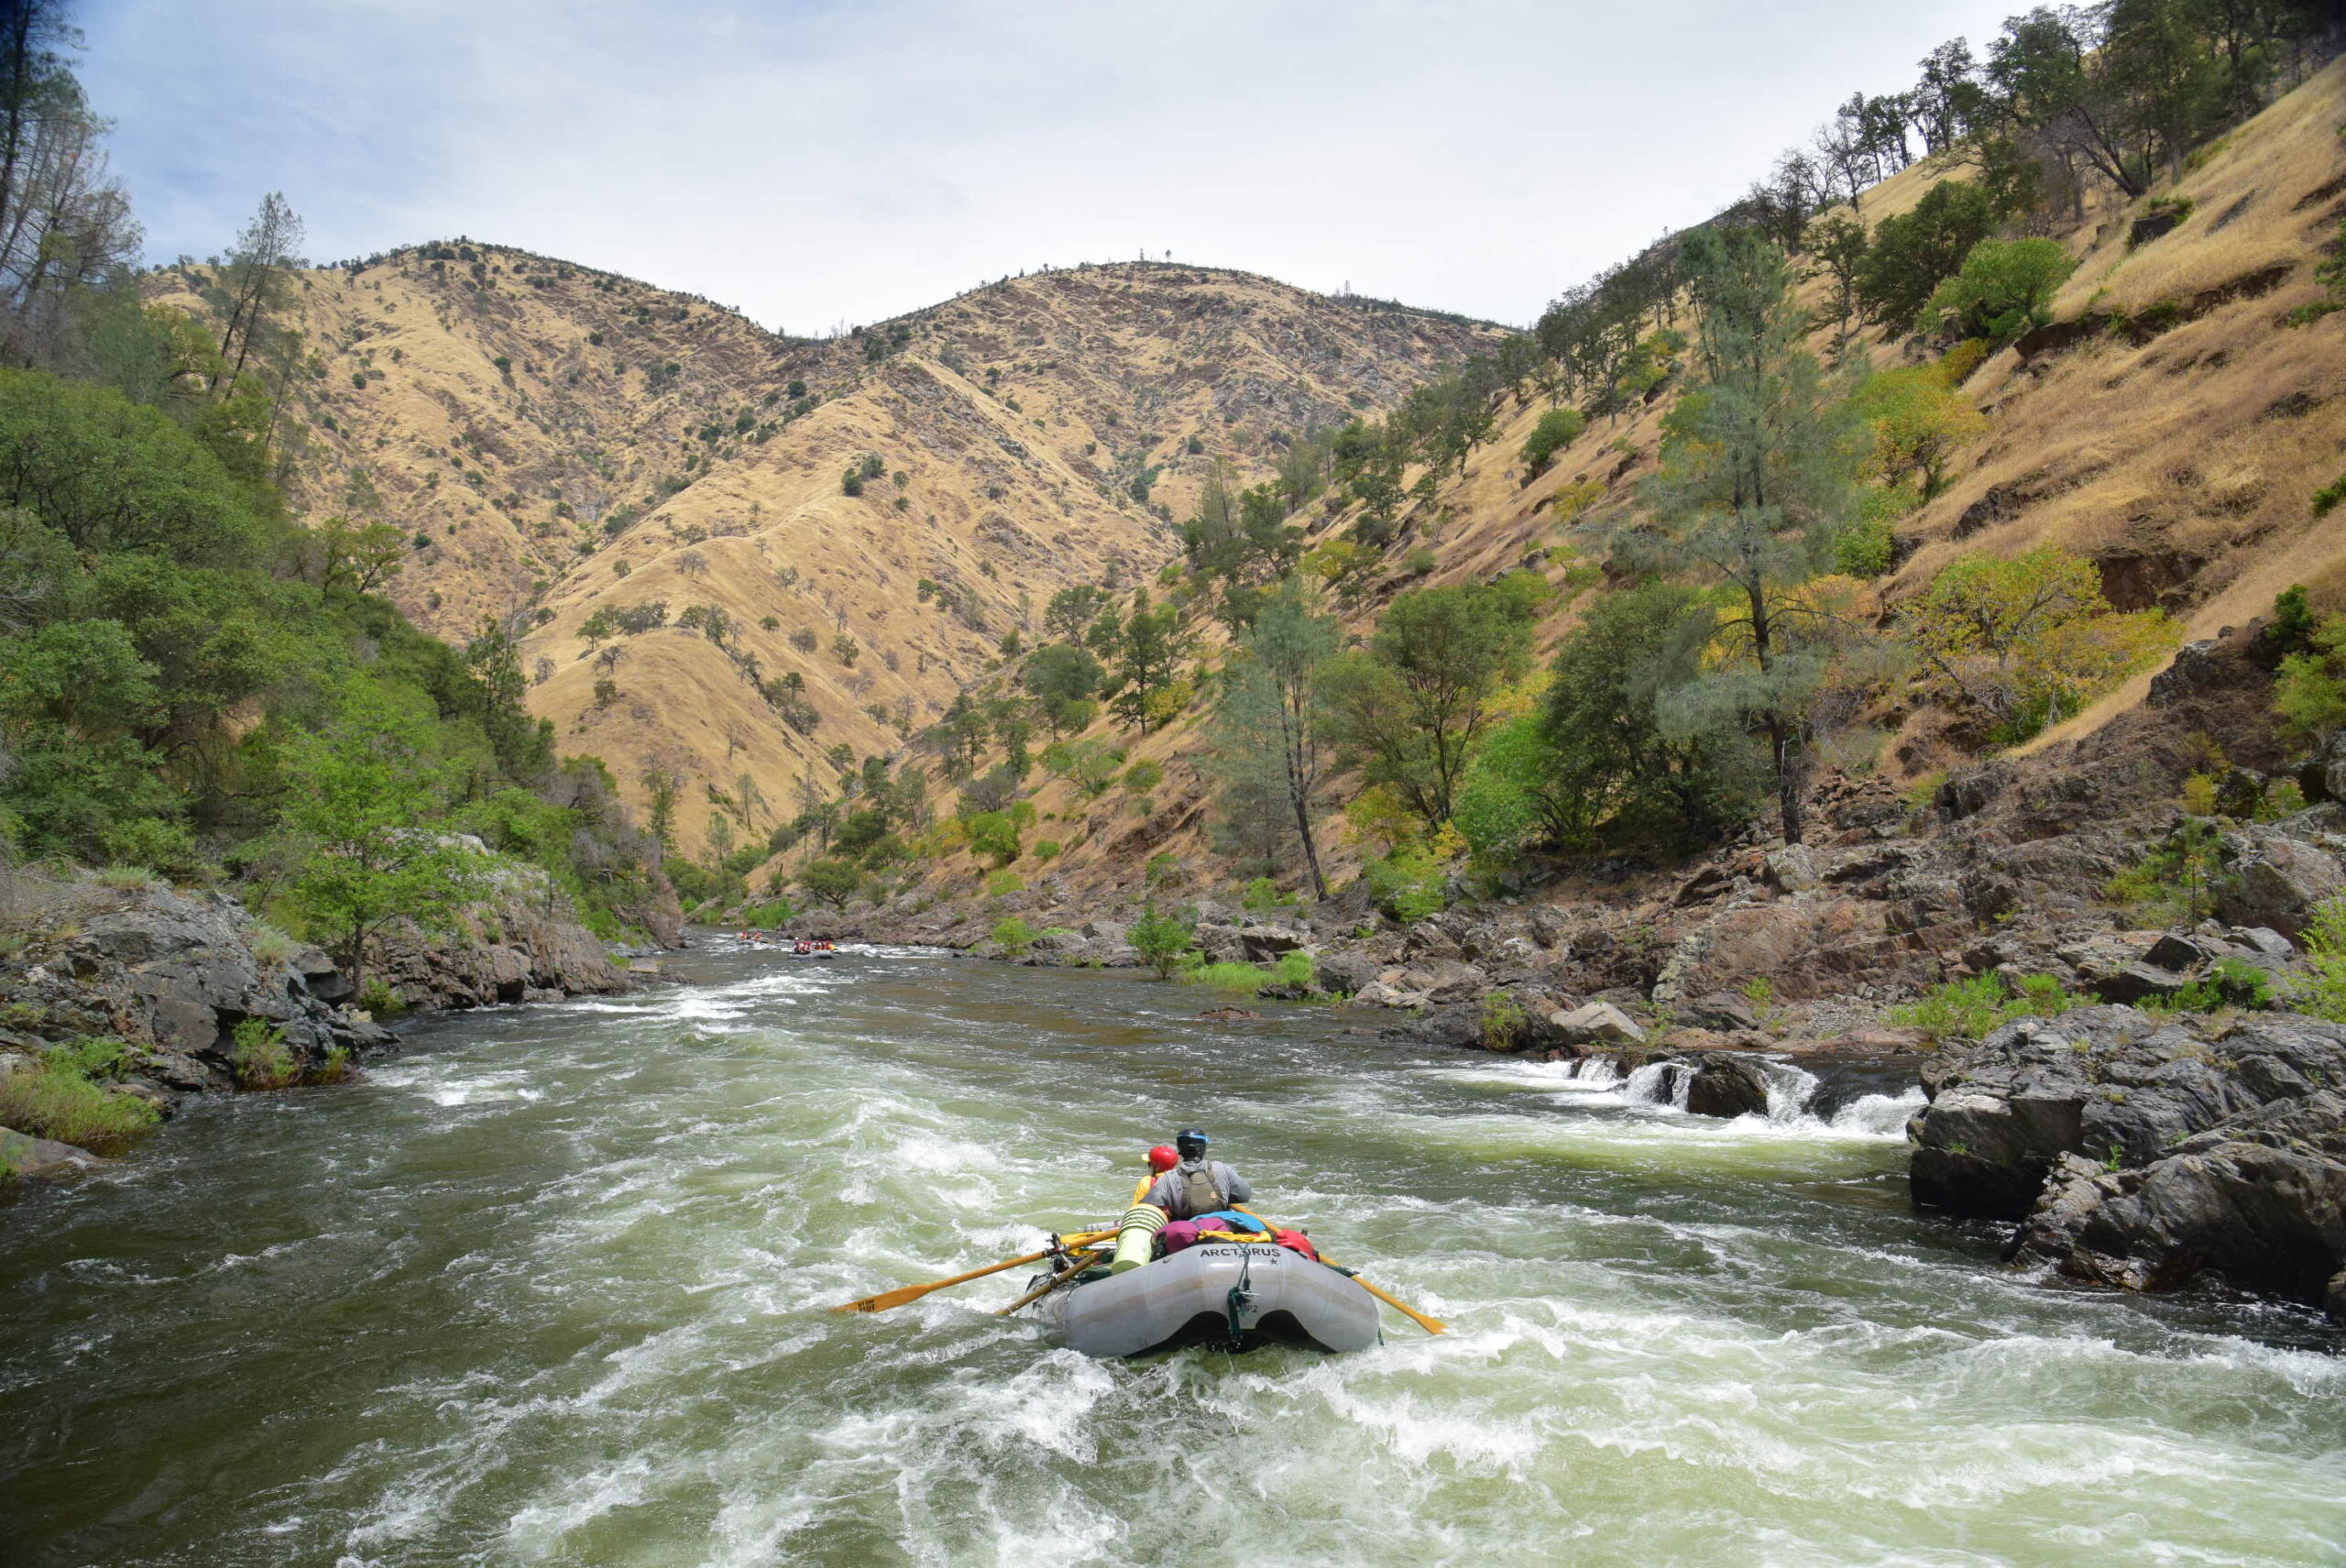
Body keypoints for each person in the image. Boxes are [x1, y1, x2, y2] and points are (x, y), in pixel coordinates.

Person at [1146, 1130, 1264, 1253]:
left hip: (1187, 1234)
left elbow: (1149, 1208)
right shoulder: (1221, 1168)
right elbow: (1245, 1195)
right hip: (1224, 1228)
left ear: (1180, 1149)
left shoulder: (1167, 1177)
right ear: (1203, 1148)